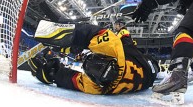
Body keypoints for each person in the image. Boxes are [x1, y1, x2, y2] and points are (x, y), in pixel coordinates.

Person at [28, 20, 159, 95]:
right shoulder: (98, 87)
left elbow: (98, 34)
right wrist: (51, 74)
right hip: (147, 73)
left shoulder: (117, 54)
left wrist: (74, 38)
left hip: (146, 73)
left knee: (126, 46)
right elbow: (71, 80)